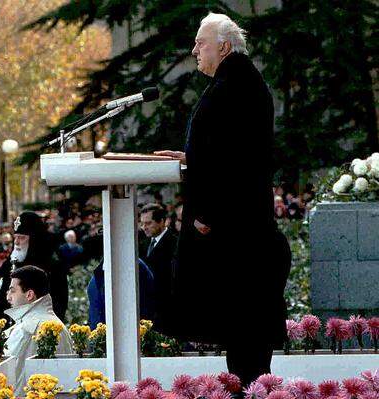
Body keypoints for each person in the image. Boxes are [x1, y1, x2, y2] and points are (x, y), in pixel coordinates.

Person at [155, 13, 291, 387]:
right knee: (243, 329)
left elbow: (237, 160)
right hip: (241, 227)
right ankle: (249, 389)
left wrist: (205, 213)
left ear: (224, 46)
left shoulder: (236, 84)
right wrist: (190, 159)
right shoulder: (237, 80)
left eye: (201, 42)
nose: (195, 49)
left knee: (246, 329)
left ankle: (252, 391)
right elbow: (226, 149)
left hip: (234, 230)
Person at [3, 265, 72, 394]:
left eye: (12, 291)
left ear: (29, 294)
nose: (8, 297)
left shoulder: (27, 328)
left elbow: (6, 374)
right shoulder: (56, 323)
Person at [138, 203, 179, 335]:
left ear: (162, 221)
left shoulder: (175, 245)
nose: (144, 227)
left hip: (168, 313)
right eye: (142, 223)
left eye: (148, 223)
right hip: (146, 312)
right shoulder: (142, 244)